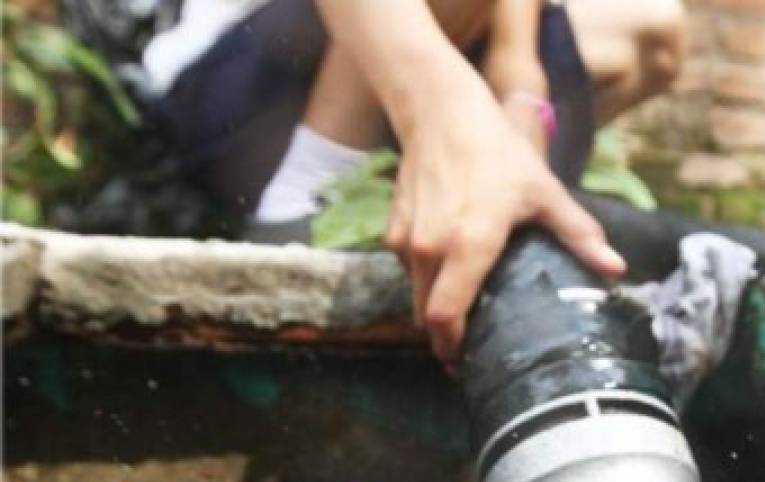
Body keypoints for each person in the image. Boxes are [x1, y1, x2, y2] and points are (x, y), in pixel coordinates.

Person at [140, 0, 685, 367]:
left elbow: (518, 56)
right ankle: (304, 196)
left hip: (430, 46)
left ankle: (462, 188)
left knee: (654, 23)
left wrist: (519, 87)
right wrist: (437, 114)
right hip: (248, 85)